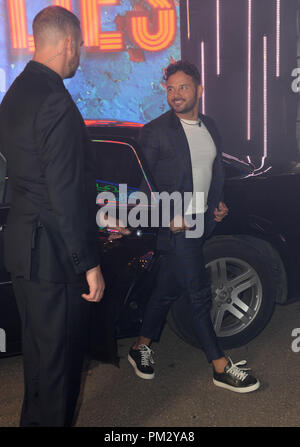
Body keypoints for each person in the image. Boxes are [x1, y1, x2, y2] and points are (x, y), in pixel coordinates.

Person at [0, 6, 107, 427]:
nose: (80, 54)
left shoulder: (15, 93)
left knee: (41, 369)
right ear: (67, 44)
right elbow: (64, 194)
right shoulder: (56, 102)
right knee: (59, 377)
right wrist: (90, 265)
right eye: (79, 46)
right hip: (53, 257)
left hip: (24, 251)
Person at [128, 60, 260, 393]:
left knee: (168, 289)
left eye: (183, 87)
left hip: (203, 222)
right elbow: (142, 188)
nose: (176, 94)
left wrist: (216, 204)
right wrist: (166, 217)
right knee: (199, 293)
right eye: (170, 88)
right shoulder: (155, 131)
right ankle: (219, 366)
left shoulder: (210, 126)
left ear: (199, 90)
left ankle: (139, 346)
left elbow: (213, 171)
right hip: (177, 228)